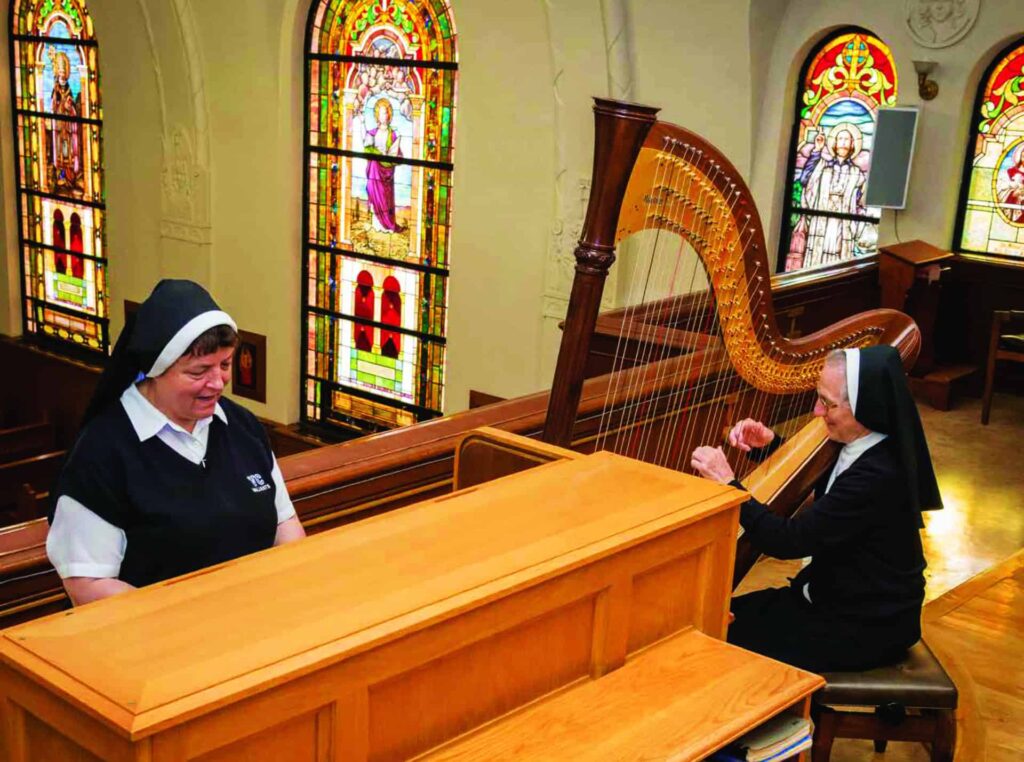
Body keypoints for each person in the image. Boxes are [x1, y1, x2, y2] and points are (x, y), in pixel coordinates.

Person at [46, 280, 306, 606]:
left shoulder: (243, 427)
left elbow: (286, 526)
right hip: (159, 642)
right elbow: (89, 585)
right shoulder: (102, 454)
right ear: (157, 370)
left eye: (225, 365)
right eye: (198, 372)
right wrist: (189, 621)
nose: (217, 382)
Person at [690, 346, 942, 672]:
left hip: (865, 625)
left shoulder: (879, 473)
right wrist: (772, 445)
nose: (816, 411)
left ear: (865, 406)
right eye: (818, 397)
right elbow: (825, 486)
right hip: (832, 597)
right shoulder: (861, 442)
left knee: (717, 636)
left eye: (827, 402)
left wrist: (728, 484)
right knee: (710, 615)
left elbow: (787, 541)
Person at [796, 124, 869, 269]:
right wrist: (817, 150)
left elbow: (861, 202)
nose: (843, 142)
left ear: (853, 144)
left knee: (839, 263)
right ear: (834, 143)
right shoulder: (823, 167)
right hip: (820, 222)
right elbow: (805, 180)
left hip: (843, 226)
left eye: (846, 139)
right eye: (840, 138)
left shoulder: (858, 173)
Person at [364, 98, 403, 232]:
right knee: (374, 192)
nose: (383, 116)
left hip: (387, 173)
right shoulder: (371, 133)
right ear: (377, 115)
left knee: (386, 198)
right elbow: (367, 149)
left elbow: (399, 154)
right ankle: (377, 225)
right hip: (375, 171)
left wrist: (394, 157)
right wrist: (376, 154)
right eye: (381, 113)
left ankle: (388, 225)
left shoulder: (393, 134)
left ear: (389, 115)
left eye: (386, 113)